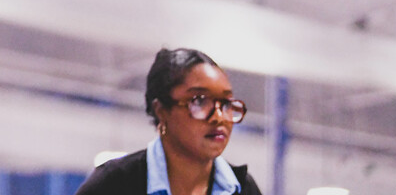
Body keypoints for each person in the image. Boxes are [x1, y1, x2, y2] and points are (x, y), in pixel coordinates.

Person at [74, 48, 261, 195]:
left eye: (226, 103)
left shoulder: (242, 189)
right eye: (199, 101)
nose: (219, 117)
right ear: (161, 110)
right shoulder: (115, 184)